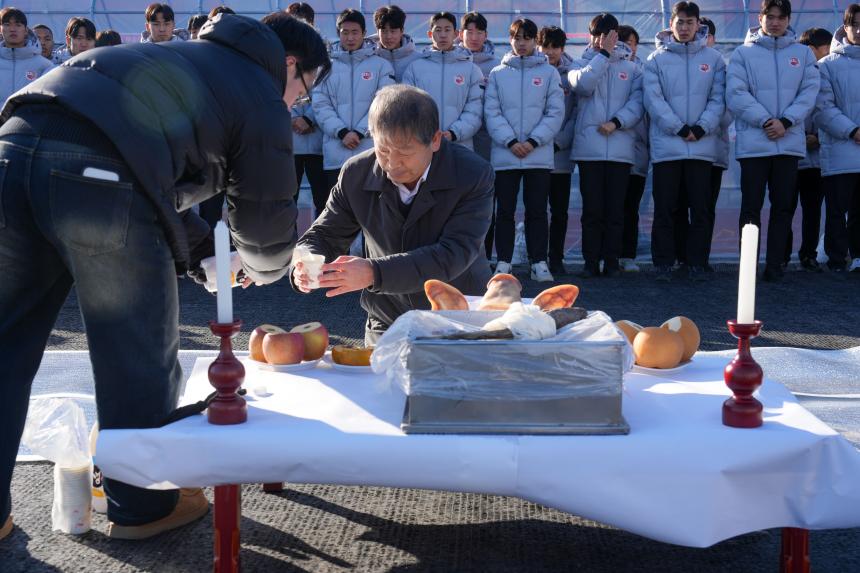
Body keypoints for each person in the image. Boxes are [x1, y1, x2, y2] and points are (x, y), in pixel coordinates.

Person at [0, 12, 329, 541]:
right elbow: (264, 217)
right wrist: (263, 267)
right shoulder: (260, 92)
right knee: (135, 353)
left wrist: (204, 254)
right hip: (99, 181)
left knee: (6, 344)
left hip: (12, 151)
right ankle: (142, 505)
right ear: (290, 65)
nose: (296, 103)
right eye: (304, 90)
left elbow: (142, 167)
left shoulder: (179, 57)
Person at [291, 85, 494, 344]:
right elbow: (325, 234)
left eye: (405, 152)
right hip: (386, 318)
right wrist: (305, 260)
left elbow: (453, 253)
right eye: (383, 150)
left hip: (459, 315)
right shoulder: (356, 173)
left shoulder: (472, 174)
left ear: (435, 140)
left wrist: (374, 272)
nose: (393, 163)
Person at [726, 0, 819, 282]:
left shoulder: (803, 54)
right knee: (751, 207)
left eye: (781, 17)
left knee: (783, 207)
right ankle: (748, 267)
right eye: (770, 17)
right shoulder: (743, 53)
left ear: (789, 20)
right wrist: (767, 121)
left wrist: (786, 122)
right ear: (760, 18)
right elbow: (736, 93)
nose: (775, 22)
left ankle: (775, 264)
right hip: (754, 145)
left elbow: (809, 92)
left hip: (788, 145)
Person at [644, 2, 726, 282]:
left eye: (690, 22)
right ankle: (664, 263)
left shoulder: (714, 59)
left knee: (700, 209)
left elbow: (719, 99)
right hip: (667, 148)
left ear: (698, 24)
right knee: (665, 209)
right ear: (671, 24)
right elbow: (653, 100)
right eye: (680, 22)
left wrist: (702, 127)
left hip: (701, 147)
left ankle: (697, 263)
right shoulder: (655, 59)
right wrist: (678, 128)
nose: (684, 27)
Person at [485, 18, 564, 282]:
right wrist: (510, 141)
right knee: (504, 211)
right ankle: (503, 261)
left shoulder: (549, 74)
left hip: (537, 156)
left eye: (527, 38)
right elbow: (492, 112)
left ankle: (539, 262)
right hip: (505, 155)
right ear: (510, 40)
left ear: (534, 41)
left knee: (538, 211)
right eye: (516, 38)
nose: (521, 43)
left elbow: (555, 113)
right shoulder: (497, 74)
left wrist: (532, 141)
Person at [569, 13, 644, 278]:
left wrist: (616, 122)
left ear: (615, 35)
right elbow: (583, 86)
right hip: (589, 150)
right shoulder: (580, 63)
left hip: (621, 149)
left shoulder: (632, 69)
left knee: (615, 210)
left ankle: (612, 261)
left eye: (607, 34)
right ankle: (590, 262)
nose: (601, 39)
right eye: (596, 34)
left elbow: (638, 104)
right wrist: (602, 55)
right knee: (592, 210)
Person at [313, 9, 395, 193]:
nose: (350, 38)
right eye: (345, 32)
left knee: (370, 205)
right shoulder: (325, 66)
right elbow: (320, 103)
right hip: (336, 152)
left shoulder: (381, 66)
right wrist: (342, 132)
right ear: (338, 33)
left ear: (364, 33)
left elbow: (383, 103)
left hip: (370, 151)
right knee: (336, 205)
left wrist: (359, 132)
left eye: (355, 32)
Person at [815, 4, 860, 275]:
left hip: (846, 146)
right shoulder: (827, 65)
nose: (859, 30)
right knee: (836, 209)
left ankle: (858, 257)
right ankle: (835, 259)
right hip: (840, 150)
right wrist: (853, 131)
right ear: (845, 28)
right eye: (855, 24)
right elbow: (823, 108)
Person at [786, 27, 832, 271]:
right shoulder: (790, 74)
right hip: (791, 154)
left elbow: (830, 111)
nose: (830, 54)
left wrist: (819, 138)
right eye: (826, 49)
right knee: (785, 208)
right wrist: (800, 137)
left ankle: (808, 254)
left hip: (815, 159)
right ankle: (782, 255)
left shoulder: (828, 74)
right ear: (812, 50)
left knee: (812, 210)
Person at [402, 12, 483, 149]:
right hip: (424, 145)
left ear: (456, 34)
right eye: (438, 30)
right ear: (430, 34)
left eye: (447, 30)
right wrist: (426, 134)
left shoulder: (471, 70)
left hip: (460, 145)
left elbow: (475, 110)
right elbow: (407, 107)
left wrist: (454, 133)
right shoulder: (414, 68)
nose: (443, 35)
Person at [458, 11, 500, 260]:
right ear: (460, 34)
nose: (474, 37)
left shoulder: (496, 66)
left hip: (487, 142)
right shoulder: (452, 62)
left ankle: (484, 256)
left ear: (486, 35)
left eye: (479, 32)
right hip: (458, 139)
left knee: (485, 202)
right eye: (469, 32)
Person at [538, 25, 576, 276]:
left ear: (562, 48)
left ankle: (556, 258)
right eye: (545, 46)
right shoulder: (532, 72)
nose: (549, 52)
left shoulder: (572, 76)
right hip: (536, 153)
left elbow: (576, 115)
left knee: (560, 211)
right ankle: (538, 257)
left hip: (560, 156)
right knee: (537, 211)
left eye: (555, 47)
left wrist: (559, 142)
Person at [286, 2, 328, 217]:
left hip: (317, 140)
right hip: (289, 142)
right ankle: (288, 239)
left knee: (323, 199)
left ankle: (321, 238)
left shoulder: (323, 52)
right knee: (286, 200)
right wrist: (293, 118)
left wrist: (309, 119)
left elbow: (326, 92)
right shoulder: (278, 52)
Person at [700, 16, 732, 272]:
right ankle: (680, 256)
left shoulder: (722, 66)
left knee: (706, 207)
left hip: (714, 151)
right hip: (682, 147)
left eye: (706, 34)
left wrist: (703, 124)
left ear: (713, 38)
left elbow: (727, 111)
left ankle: (701, 257)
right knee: (679, 205)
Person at [617, 24, 649, 273]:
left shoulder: (645, 72)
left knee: (631, 207)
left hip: (637, 151)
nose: (629, 48)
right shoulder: (607, 68)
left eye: (632, 43)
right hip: (613, 147)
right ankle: (608, 253)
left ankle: (627, 254)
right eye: (624, 42)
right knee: (610, 206)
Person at [0, 8, 53, 103]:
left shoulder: (44, 66)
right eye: (7, 24)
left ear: (25, 31)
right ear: (1, 29)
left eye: (18, 25)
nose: (12, 29)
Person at [370, 6, 420, 82]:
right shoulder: (370, 59)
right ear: (377, 32)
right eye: (384, 31)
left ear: (402, 31)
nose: (388, 36)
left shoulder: (417, 60)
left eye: (393, 31)